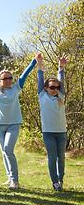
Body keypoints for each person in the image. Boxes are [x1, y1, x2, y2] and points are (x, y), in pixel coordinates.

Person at [0, 48, 40, 190]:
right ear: (0, 81)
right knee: (4, 152)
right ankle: (9, 177)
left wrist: (34, 61)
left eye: (10, 78)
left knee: (8, 149)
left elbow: (25, 74)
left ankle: (15, 181)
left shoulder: (16, 88)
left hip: (13, 125)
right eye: (5, 78)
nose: (9, 80)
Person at [37, 53, 68, 191]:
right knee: (52, 157)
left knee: (61, 158)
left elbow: (61, 79)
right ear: (46, 88)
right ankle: (54, 181)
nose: (55, 89)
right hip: (48, 133)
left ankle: (60, 179)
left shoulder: (61, 96)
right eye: (52, 87)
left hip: (62, 132)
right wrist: (39, 64)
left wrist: (60, 66)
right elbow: (40, 78)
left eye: (57, 87)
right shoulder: (42, 95)